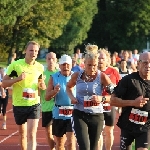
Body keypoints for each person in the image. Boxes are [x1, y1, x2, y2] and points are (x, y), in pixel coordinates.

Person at [66, 44, 113, 150]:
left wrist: (102, 99)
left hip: (96, 115)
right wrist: (72, 97)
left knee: (93, 147)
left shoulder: (102, 76)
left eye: (95, 65)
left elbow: (114, 95)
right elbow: (68, 87)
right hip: (79, 114)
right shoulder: (76, 75)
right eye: (89, 65)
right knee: (84, 147)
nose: (92, 68)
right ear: (84, 64)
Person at [2, 41, 46, 150]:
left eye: (36, 51)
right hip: (19, 104)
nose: (34, 53)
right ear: (25, 51)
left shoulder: (40, 67)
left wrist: (42, 85)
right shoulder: (16, 65)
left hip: (34, 104)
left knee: (32, 134)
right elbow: (4, 83)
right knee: (22, 135)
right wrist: (17, 79)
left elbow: (41, 84)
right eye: (31, 50)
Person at [110, 52, 150, 150]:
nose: (148, 66)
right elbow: (112, 100)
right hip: (127, 125)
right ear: (139, 64)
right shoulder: (129, 80)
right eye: (145, 63)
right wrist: (133, 103)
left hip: (145, 126)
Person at [45, 54, 76, 150]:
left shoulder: (76, 77)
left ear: (71, 65)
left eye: (67, 64)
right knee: (59, 142)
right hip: (58, 113)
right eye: (63, 64)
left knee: (71, 141)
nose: (65, 67)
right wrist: (54, 92)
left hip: (73, 113)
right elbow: (46, 97)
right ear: (59, 65)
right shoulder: (53, 77)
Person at [98, 48, 121, 150]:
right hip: (96, 105)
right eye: (98, 58)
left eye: (103, 58)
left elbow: (120, 87)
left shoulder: (113, 71)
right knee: (98, 132)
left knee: (109, 131)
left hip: (109, 105)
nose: (100, 60)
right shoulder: (93, 72)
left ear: (108, 59)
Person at [40, 52, 58, 149]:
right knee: (48, 133)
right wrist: (41, 86)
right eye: (49, 59)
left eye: (53, 59)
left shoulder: (59, 73)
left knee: (59, 133)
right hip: (46, 107)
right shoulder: (42, 75)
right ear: (46, 60)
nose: (51, 61)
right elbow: (38, 92)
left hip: (58, 107)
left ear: (56, 60)